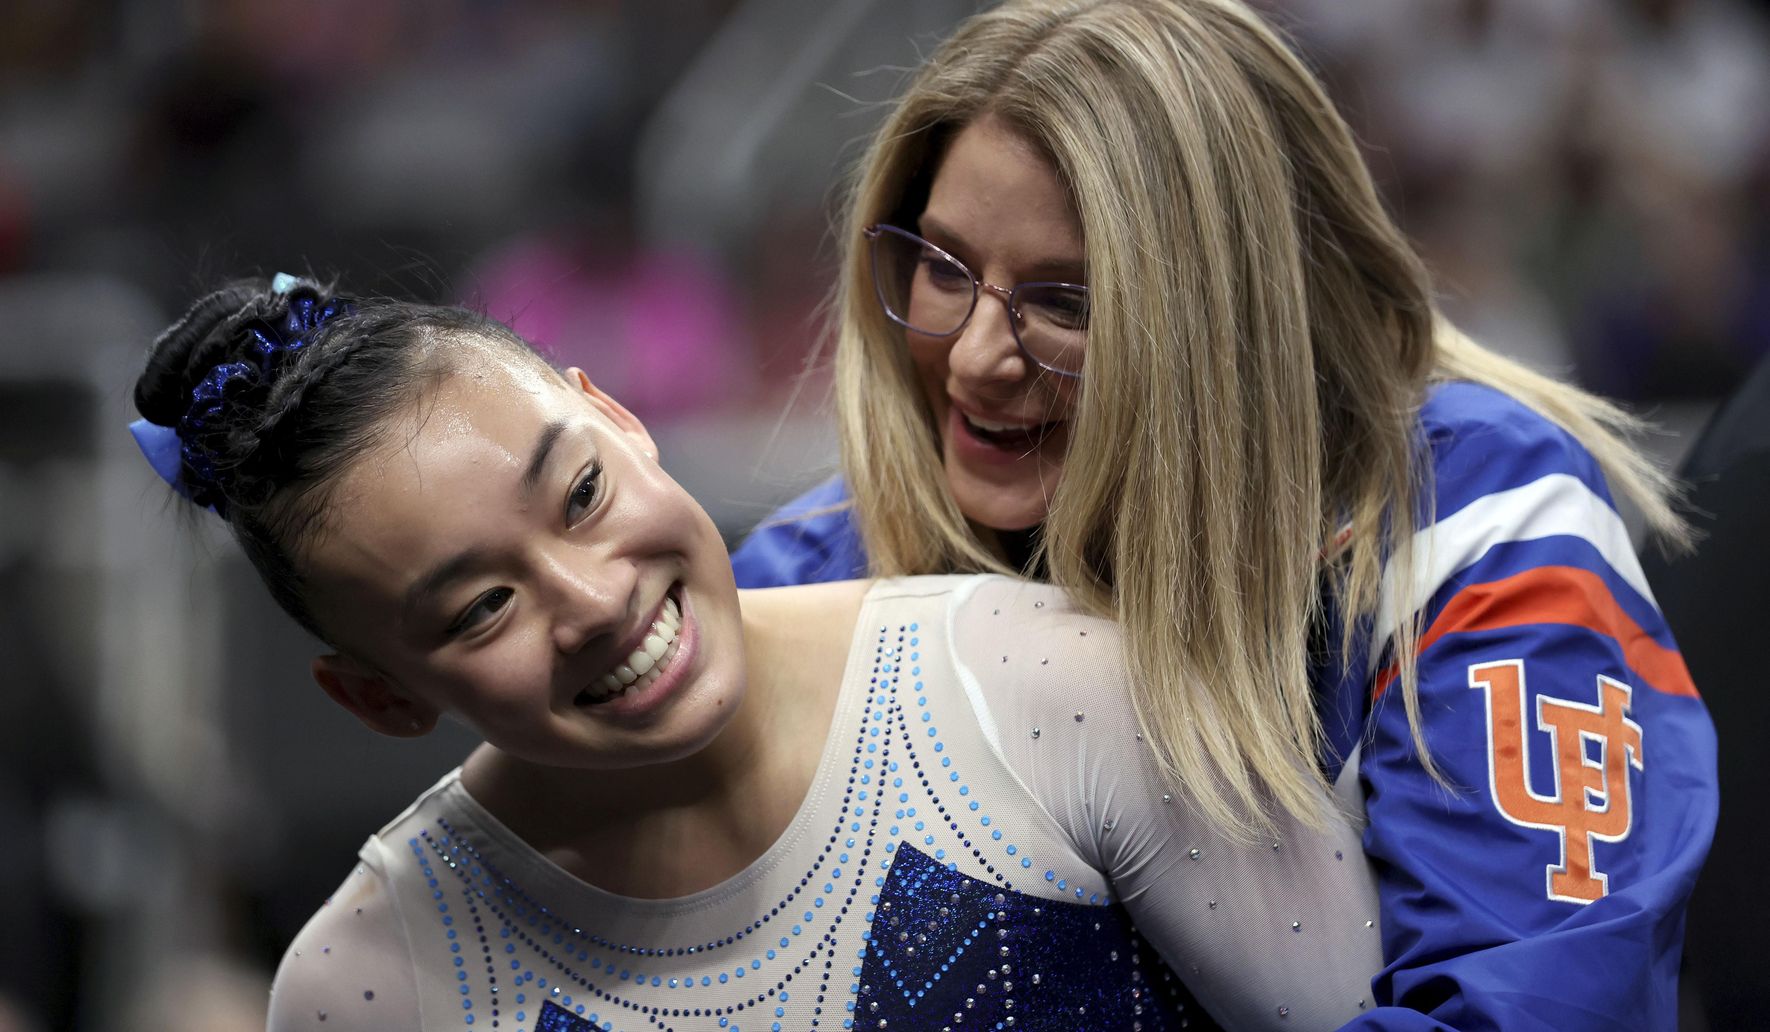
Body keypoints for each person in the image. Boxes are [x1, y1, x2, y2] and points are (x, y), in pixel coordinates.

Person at [730, 0, 1718, 1026]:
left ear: (1230, 323)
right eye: (943, 269)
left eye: (1065, 302)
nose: (977, 356)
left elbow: (1532, 1007)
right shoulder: (817, 574)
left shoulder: (1471, 517)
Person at [131, 275, 1391, 1032]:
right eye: (478, 611)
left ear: (621, 420)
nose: (593, 600)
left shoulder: (1041, 688)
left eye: (576, 494)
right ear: (379, 696)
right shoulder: (371, 981)